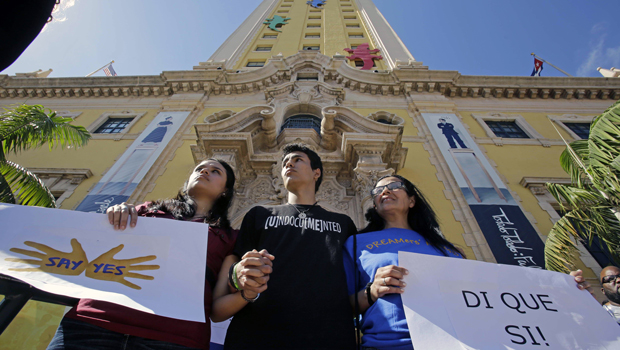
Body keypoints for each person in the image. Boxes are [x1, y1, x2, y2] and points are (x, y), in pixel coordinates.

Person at [47, 158, 237, 350]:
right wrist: (115, 214)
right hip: (95, 319)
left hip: (176, 336)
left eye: (215, 171)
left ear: (226, 191)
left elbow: (218, 304)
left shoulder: (230, 238)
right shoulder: (147, 210)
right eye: (200, 168)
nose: (205, 172)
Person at [217, 143, 357, 349]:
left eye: (298, 159)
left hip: (328, 337)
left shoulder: (343, 224)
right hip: (256, 335)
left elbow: (352, 283)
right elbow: (233, 277)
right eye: (285, 163)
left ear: (316, 172)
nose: (289, 163)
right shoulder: (258, 215)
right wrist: (239, 277)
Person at [343, 175, 463, 350]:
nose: (385, 191)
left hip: (451, 342)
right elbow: (342, 305)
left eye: (394, 185)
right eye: (378, 190)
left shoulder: (447, 249)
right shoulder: (355, 243)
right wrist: (372, 291)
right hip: (387, 344)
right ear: (375, 205)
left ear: (412, 200)